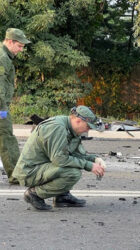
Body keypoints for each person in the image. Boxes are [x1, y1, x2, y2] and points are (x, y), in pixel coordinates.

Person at [12, 106, 106, 210]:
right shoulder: (57, 128)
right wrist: (88, 165)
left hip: (42, 167)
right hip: (29, 172)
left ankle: (62, 196)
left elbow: (76, 154)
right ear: (78, 121)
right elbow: (60, 160)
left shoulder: (71, 129)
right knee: (73, 173)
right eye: (88, 126)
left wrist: (94, 160)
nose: (88, 130)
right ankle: (34, 194)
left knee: (74, 163)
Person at [0, 28, 31, 184]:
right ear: (10, 41)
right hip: (0, 107)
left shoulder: (4, 55)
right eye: (19, 46)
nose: (21, 49)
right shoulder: (2, 57)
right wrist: (2, 109)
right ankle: (15, 175)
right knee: (6, 136)